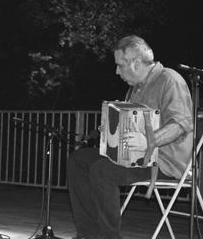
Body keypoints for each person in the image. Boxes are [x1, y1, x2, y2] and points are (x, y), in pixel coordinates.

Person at [67, 35, 193, 239]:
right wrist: (110, 128)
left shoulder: (169, 79)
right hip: (136, 158)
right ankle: (88, 234)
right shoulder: (136, 88)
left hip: (165, 162)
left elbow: (181, 124)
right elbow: (132, 125)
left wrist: (148, 141)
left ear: (135, 62)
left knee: (103, 171)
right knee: (78, 160)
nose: (117, 71)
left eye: (120, 65)